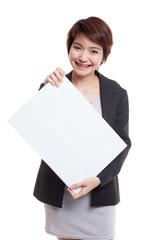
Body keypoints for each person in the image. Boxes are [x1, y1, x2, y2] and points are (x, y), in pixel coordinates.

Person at [33, 16, 131, 240]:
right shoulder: (53, 88)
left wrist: (98, 180)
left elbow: (123, 144)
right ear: (69, 48)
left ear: (104, 56)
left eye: (94, 51)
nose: (83, 57)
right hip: (62, 197)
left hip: (99, 195)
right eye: (77, 47)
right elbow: (41, 135)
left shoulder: (117, 94)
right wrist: (46, 95)